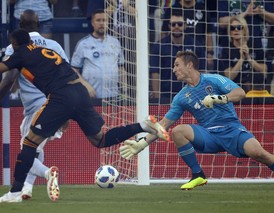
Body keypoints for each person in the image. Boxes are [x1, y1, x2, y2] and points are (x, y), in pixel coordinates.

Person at [0, 28, 169, 203]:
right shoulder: (48, 50)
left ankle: (14, 193)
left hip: (60, 96)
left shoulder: (19, 53)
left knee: (29, 142)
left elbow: (4, 70)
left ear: (14, 43)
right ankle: (143, 125)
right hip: (79, 92)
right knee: (100, 139)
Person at [120, 50, 274, 190]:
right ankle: (198, 174)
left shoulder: (213, 80)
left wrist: (219, 98)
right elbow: (163, 125)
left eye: (177, 65)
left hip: (232, 129)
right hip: (209, 135)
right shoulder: (181, 97)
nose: (174, 69)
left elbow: (240, 93)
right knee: (178, 131)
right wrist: (142, 143)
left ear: (189, 65)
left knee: (259, 153)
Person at [0, 9, 69, 201]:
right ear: (39, 24)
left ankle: (48, 174)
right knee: (36, 148)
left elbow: (10, 78)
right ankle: (26, 189)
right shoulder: (54, 45)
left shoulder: (16, 46)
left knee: (27, 150)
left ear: (19, 26)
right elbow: (67, 75)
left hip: (36, 106)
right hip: (58, 103)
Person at [149, 9, 205, 102]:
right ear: (169, 26)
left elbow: (203, 71)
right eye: (173, 24)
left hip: (191, 94)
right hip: (165, 95)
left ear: (185, 26)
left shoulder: (196, 45)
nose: (176, 27)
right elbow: (155, 73)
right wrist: (158, 98)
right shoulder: (159, 46)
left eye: (180, 24)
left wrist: (200, 94)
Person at [71, 9, 128, 100]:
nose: (101, 23)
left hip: (113, 96)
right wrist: (85, 85)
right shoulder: (83, 44)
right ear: (92, 23)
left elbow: (121, 68)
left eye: (104, 20)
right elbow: (74, 70)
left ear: (108, 22)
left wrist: (124, 91)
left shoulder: (115, 42)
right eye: (98, 20)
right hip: (91, 96)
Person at [161, 0, 214, 69]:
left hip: (197, 53)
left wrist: (210, 54)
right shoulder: (171, 10)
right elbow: (164, 32)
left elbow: (208, 33)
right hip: (174, 53)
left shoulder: (202, 9)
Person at [219, 16, 267, 92]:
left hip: (255, 86)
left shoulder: (255, 44)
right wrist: (241, 59)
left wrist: (249, 58)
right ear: (230, 32)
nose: (236, 30)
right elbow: (229, 77)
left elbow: (264, 70)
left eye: (239, 27)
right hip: (235, 87)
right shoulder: (226, 50)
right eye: (232, 28)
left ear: (244, 30)